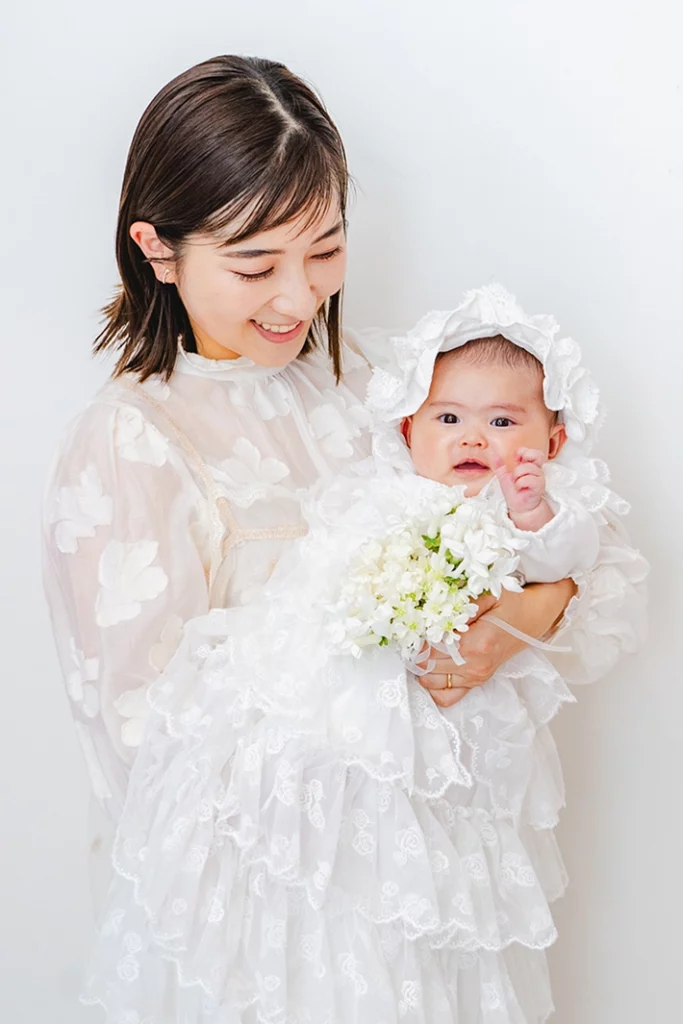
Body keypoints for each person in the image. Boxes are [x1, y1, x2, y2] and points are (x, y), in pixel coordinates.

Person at [41, 55, 647, 1020]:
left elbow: (581, 544)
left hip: (431, 890)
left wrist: (520, 618)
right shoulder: (130, 443)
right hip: (267, 927)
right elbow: (144, 757)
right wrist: (358, 660)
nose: (298, 299)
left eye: (324, 250)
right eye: (255, 266)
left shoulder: (380, 384)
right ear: (157, 248)